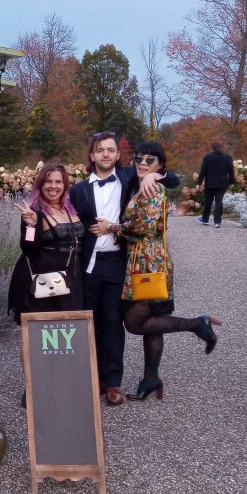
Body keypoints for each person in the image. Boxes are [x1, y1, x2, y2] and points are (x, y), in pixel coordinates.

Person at [69, 131, 179, 406]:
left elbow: (171, 177)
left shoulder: (130, 177)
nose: (105, 154)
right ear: (92, 155)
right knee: (89, 323)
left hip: (119, 263)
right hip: (89, 264)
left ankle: (113, 382)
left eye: (110, 150)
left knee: (113, 323)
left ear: (118, 156)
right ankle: (94, 378)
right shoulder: (78, 190)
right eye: (100, 150)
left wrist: (157, 175)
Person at [119, 142, 222, 400]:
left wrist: (112, 227)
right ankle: (151, 379)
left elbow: (142, 228)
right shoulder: (143, 181)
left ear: (161, 164)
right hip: (147, 260)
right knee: (152, 324)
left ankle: (198, 324)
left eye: (150, 160)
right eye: (139, 158)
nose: (142, 163)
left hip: (148, 262)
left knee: (135, 322)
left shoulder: (153, 189)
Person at [8, 163, 85, 407]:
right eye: (48, 182)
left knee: (65, 334)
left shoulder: (71, 209)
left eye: (58, 182)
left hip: (70, 281)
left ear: (65, 185)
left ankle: (58, 383)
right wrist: (30, 226)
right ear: (41, 185)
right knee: (34, 334)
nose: (53, 186)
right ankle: (31, 386)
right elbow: (28, 248)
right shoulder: (34, 212)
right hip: (41, 282)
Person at [197, 142, 234, 227]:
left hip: (210, 183)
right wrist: (231, 182)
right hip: (222, 184)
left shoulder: (207, 158)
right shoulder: (227, 158)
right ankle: (217, 222)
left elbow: (203, 171)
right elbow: (231, 171)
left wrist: (199, 183)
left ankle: (205, 219)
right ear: (221, 147)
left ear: (212, 148)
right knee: (219, 202)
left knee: (208, 202)